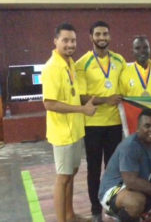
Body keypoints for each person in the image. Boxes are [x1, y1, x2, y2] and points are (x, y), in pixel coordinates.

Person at [42, 23, 97, 222]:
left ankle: (70, 214)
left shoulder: (70, 63)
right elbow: (49, 103)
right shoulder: (52, 68)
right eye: (65, 40)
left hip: (75, 130)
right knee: (63, 178)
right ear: (55, 41)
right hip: (62, 134)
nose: (70, 44)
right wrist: (82, 110)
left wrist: (90, 100)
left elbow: (73, 96)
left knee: (71, 174)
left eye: (73, 40)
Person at [75, 21, 126, 222]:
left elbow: (125, 90)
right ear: (91, 37)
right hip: (93, 125)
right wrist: (106, 99)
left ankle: (112, 206)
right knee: (94, 168)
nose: (102, 37)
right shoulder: (82, 63)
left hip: (115, 123)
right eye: (98, 34)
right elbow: (80, 97)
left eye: (105, 34)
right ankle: (96, 209)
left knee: (113, 169)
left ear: (110, 36)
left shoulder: (120, 60)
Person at [98, 109, 151, 222]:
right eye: (147, 126)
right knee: (136, 202)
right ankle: (116, 213)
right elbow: (130, 182)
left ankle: (138, 215)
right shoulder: (130, 146)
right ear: (138, 128)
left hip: (139, 181)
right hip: (115, 188)